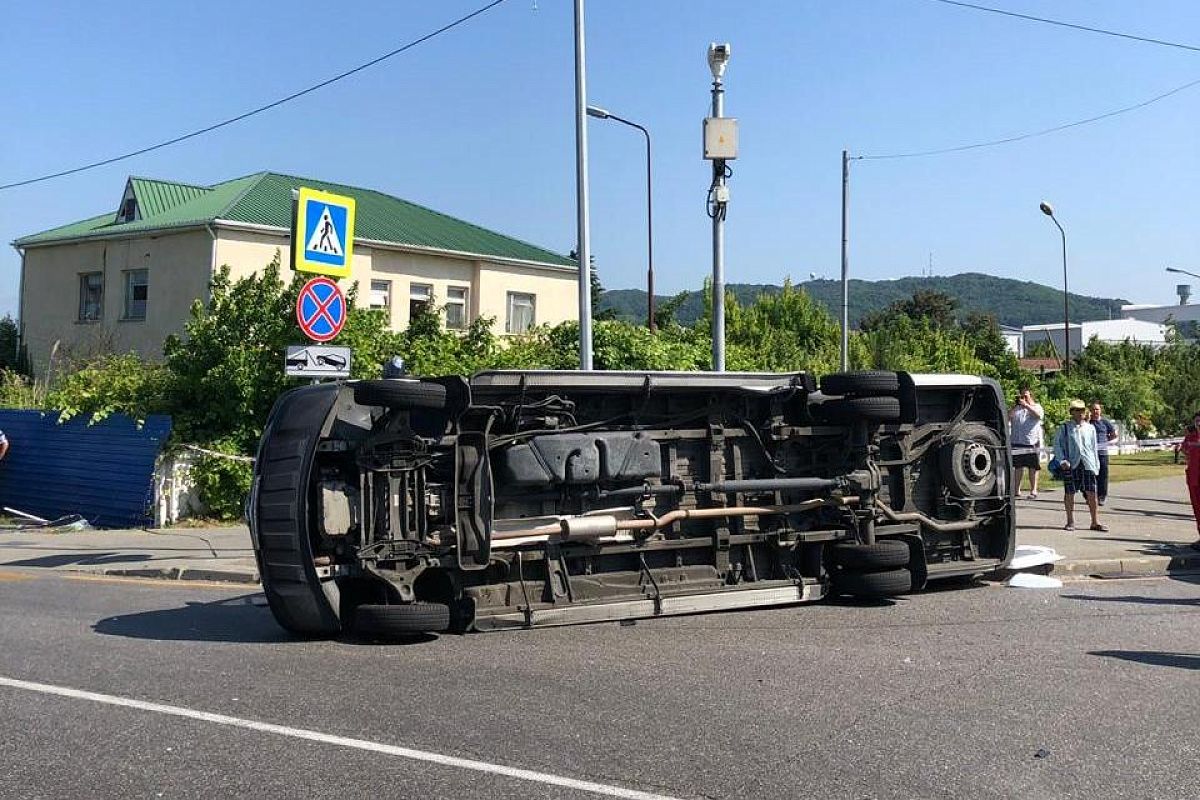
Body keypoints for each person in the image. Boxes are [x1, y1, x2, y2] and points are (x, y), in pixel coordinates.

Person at [1054, 399, 1106, 532]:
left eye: (1082, 410)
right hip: (1071, 464)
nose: (1080, 413)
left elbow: (1094, 448)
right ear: (1072, 412)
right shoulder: (1065, 427)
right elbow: (1057, 446)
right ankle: (1070, 521)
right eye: (1077, 410)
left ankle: (1095, 522)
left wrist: (1096, 465)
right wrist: (1062, 460)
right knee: (1070, 492)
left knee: (1092, 493)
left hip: (1088, 463)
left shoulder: (1090, 428)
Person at [1009, 386, 1045, 499]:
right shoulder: (1017, 409)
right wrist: (1016, 406)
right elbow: (1008, 417)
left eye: (1026, 396)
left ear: (1031, 396)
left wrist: (1026, 405)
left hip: (1031, 442)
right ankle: (1016, 490)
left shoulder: (1037, 407)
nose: (1023, 398)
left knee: (1032, 467)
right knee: (1018, 467)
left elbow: (1038, 416)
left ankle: (1033, 490)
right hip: (1017, 441)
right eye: (1022, 396)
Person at [1089, 401, 1117, 506]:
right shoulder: (1088, 422)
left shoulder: (1105, 422)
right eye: (1093, 409)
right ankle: (1091, 495)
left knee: (1103, 475)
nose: (1095, 411)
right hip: (1091, 453)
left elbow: (1113, 435)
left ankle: (1102, 496)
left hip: (1103, 453)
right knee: (1091, 475)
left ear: (1100, 411)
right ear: (1090, 411)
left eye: (1097, 409)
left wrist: (1105, 441)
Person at [1181, 412, 1200, 550]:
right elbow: (1184, 450)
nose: (1198, 423)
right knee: (1197, 509)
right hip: (1193, 477)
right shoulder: (1190, 437)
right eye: (1197, 421)